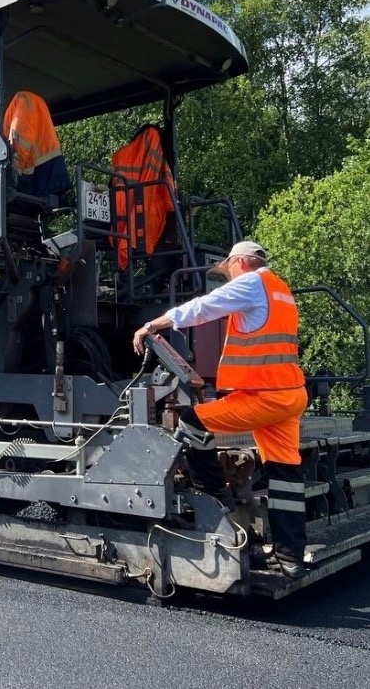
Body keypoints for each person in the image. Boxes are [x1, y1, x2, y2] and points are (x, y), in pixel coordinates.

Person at [132, 240, 309, 578]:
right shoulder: (280, 289)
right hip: (289, 395)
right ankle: (290, 557)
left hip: (265, 397)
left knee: (192, 421)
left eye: (228, 269)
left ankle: (215, 498)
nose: (227, 277)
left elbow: (204, 307)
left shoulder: (252, 283)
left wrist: (154, 324)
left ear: (240, 262)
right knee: (286, 476)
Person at [3, 90, 70, 199]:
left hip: (39, 171)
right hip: (53, 166)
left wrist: (15, 175)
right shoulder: (36, 103)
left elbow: (21, 142)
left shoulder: (22, 102)